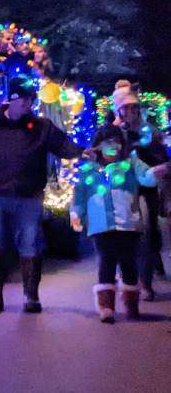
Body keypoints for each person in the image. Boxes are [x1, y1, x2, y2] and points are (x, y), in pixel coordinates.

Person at [0, 77, 85, 314]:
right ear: (12, 99)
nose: (28, 105)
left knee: (30, 244)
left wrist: (85, 153)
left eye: (31, 100)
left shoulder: (41, 127)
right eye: (25, 100)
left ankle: (31, 296)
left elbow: (63, 146)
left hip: (28, 196)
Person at [71, 125, 167, 322]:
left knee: (128, 263)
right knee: (106, 261)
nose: (112, 147)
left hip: (128, 225)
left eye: (116, 142)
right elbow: (79, 194)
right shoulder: (90, 170)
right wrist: (76, 214)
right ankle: (106, 307)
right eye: (107, 143)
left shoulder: (131, 164)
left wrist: (156, 172)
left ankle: (132, 304)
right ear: (98, 146)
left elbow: (147, 178)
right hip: (101, 226)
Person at [111, 82, 169, 301]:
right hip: (121, 191)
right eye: (125, 108)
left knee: (146, 232)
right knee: (121, 235)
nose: (130, 112)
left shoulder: (151, 132)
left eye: (133, 108)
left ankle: (144, 282)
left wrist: (163, 168)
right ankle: (126, 277)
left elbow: (165, 157)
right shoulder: (114, 132)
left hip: (146, 190)